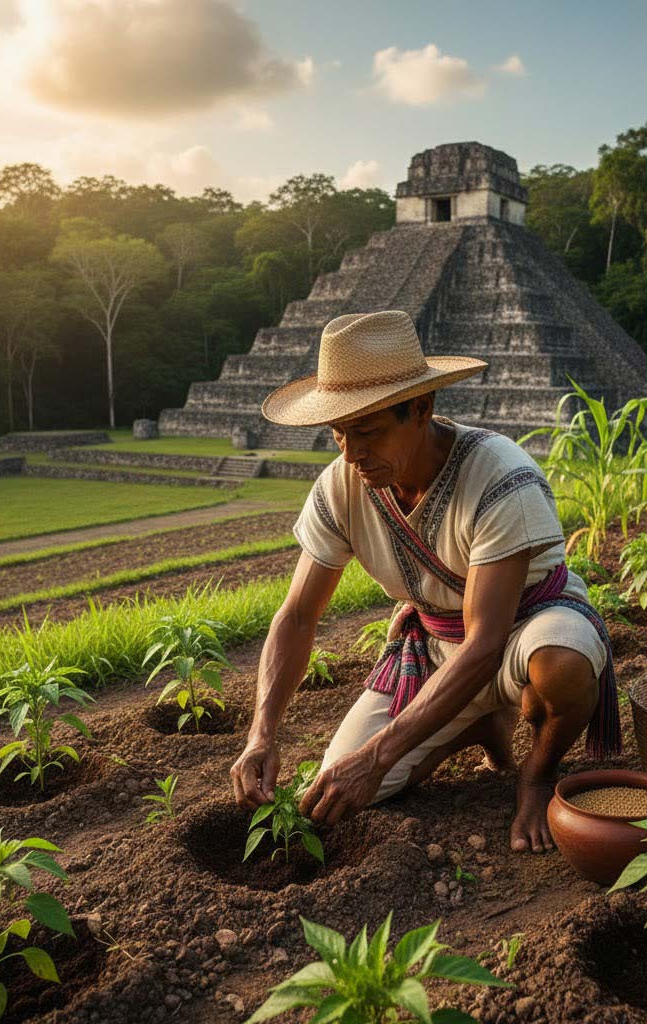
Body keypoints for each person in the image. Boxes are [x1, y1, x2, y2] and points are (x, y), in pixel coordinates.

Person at [230, 310, 620, 853]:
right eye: (338, 433)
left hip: (525, 628)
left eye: (366, 431)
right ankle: (480, 724)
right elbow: (298, 616)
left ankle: (536, 774)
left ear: (421, 408)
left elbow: (486, 643)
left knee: (564, 665)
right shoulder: (341, 487)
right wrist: (262, 733)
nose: (351, 453)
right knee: (353, 794)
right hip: (437, 647)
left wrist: (378, 755)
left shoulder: (498, 476)